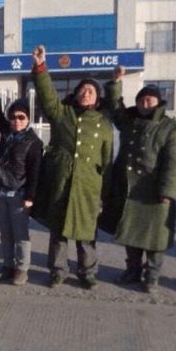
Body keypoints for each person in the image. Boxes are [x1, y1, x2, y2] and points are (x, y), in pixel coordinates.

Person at [31, 45, 113, 289]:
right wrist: (41, 67)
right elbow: (47, 96)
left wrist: (104, 196)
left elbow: (107, 162)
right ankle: (57, 271)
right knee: (59, 233)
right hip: (61, 183)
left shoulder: (104, 125)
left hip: (88, 187)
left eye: (90, 91)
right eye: (82, 90)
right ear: (76, 94)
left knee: (86, 235)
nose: (86, 93)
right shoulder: (63, 114)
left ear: (97, 98)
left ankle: (87, 273)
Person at [101, 66, 176, 293]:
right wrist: (115, 83)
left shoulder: (169, 127)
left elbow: (174, 161)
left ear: (158, 102)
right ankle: (133, 271)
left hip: (154, 191)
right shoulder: (129, 120)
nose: (146, 104)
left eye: (150, 100)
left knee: (155, 238)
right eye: (142, 100)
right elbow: (115, 107)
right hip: (129, 189)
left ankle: (152, 275)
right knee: (131, 233)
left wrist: (167, 190)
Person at [0, 81, 43, 286]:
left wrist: (30, 197)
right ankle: (7, 265)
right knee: (5, 234)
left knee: (21, 234)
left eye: (21, 117)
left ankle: (21, 268)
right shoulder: (7, 134)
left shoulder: (34, 142)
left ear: (27, 119)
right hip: (1, 192)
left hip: (19, 194)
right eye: (13, 117)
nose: (16, 121)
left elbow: (35, 172)